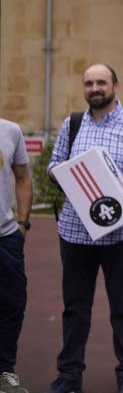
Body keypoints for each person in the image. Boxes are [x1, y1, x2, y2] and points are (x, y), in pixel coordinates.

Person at [46, 64, 123, 393]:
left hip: (120, 233)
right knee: (74, 308)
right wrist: (65, 173)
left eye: (100, 82)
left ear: (115, 85)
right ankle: (69, 376)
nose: (94, 88)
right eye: (88, 83)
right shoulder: (72, 125)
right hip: (74, 231)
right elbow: (54, 165)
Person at [0, 118, 32, 393]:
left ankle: (3, 371)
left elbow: (23, 177)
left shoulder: (10, 130)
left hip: (6, 236)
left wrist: (22, 223)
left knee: (12, 305)